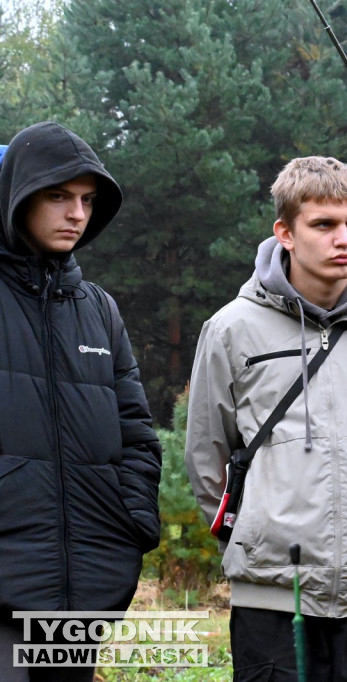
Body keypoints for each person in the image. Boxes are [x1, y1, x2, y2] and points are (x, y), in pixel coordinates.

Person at [185, 157, 347, 681]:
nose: (344, 238)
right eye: (323, 224)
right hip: (274, 594)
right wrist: (260, 527)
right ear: (285, 234)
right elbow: (207, 456)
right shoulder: (231, 329)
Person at [0, 121, 162, 681]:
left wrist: (130, 522)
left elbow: (137, 434)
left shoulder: (98, 308)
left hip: (85, 587)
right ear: (17, 196)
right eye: (58, 196)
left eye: (88, 201)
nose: (76, 214)